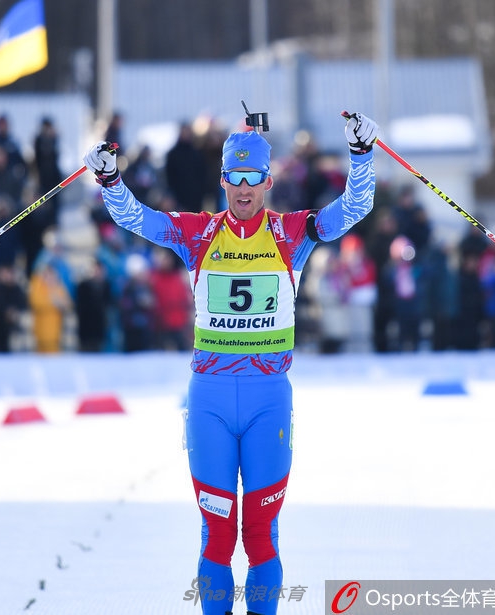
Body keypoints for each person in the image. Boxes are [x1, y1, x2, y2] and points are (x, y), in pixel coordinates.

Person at [83, 110, 378, 615]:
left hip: (267, 402)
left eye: (253, 178)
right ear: (222, 180)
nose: (244, 188)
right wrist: (111, 180)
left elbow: (355, 207)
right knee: (217, 535)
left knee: (260, 537)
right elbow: (138, 218)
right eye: (234, 177)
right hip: (211, 403)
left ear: (267, 181)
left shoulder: (292, 235)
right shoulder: (198, 233)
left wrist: (361, 155)